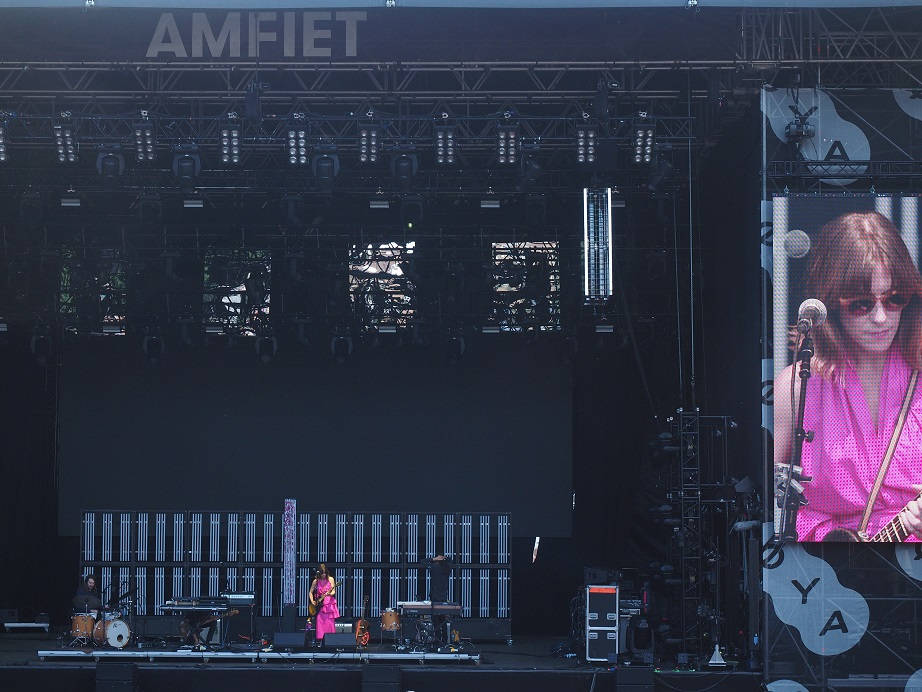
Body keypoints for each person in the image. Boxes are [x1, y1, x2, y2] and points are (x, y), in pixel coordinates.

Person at [775, 211, 922, 541]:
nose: (881, 318)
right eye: (861, 304)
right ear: (829, 303)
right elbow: (767, 506)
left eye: (894, 299)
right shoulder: (797, 386)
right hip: (825, 573)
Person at [308, 564, 339, 644]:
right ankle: (320, 641)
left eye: (325, 573)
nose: (323, 575)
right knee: (320, 622)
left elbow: (333, 591)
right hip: (319, 604)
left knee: (329, 623)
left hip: (329, 604)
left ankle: (331, 642)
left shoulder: (331, 579)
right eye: (322, 573)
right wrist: (312, 601)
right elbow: (310, 592)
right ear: (319, 573)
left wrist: (329, 594)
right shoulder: (316, 581)